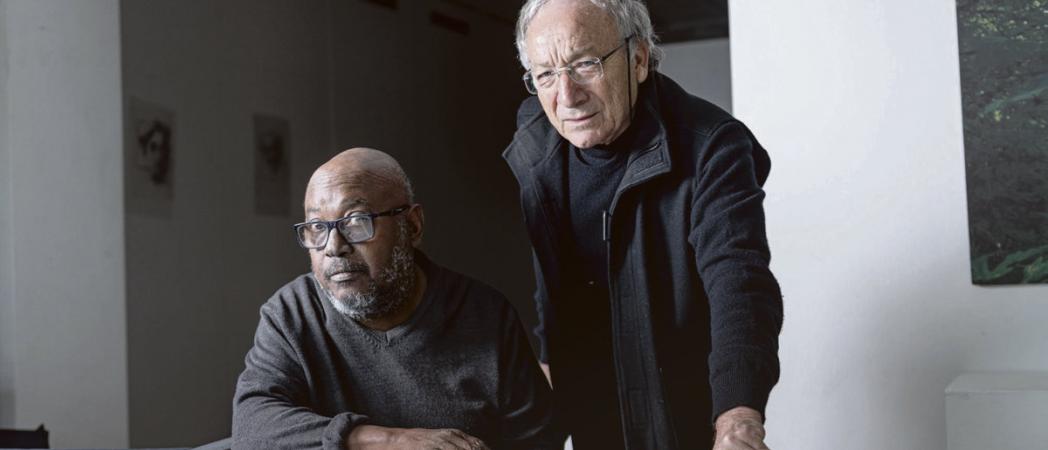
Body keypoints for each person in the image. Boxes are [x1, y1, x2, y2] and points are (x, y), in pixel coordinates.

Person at [503, 1, 784, 449]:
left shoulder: (712, 147)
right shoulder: (537, 140)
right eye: (546, 74)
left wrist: (738, 416)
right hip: (592, 413)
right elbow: (553, 281)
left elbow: (740, 283)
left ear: (637, 59)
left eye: (585, 64)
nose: (567, 96)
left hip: (686, 415)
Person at [233, 148, 554, 450]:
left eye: (356, 221)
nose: (333, 247)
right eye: (317, 227)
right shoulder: (292, 313)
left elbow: (538, 443)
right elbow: (252, 425)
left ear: (411, 226)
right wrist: (387, 441)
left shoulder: (485, 316)